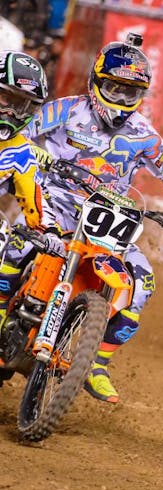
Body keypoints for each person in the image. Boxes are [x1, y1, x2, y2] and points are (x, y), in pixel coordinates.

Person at [23, 35, 163, 403]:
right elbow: (23, 129)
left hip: (107, 217)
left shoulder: (144, 134)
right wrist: (32, 152)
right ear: (95, 82)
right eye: (114, 89)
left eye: (129, 92)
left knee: (143, 282)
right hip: (57, 199)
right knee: (22, 241)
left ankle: (98, 362)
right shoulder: (67, 110)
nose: (120, 100)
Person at [0, 50, 49, 316]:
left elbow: (33, 202)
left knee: (4, 238)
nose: (11, 112)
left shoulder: (21, 152)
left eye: (23, 106)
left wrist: (49, 233)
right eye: (6, 98)